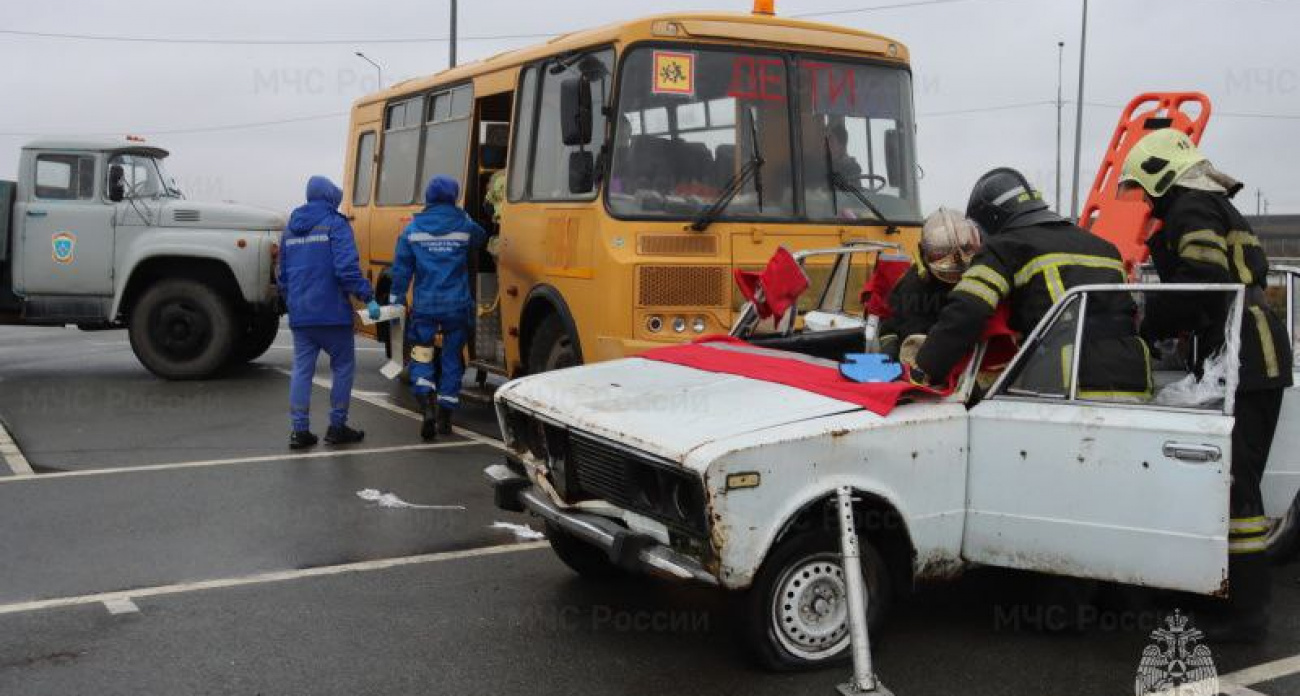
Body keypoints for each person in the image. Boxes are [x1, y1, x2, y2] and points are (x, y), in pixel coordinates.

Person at [1121, 129, 1292, 642]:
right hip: (1242, 352)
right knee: (1224, 485)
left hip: (1247, 356)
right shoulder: (1206, 205)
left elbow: (1202, 277)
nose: (1146, 201)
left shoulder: (1192, 207)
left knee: (1236, 488)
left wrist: (1145, 324)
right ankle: (1216, 597)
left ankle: (1247, 616)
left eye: (1146, 189)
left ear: (1160, 173)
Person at [910, 168, 1150, 398]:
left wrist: (926, 365)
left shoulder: (1005, 247)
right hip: (1134, 379)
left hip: (1067, 385)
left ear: (991, 221)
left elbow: (967, 310)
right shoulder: (1104, 247)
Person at [279, 175, 378, 449]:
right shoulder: (335, 224)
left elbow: (282, 276)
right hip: (332, 313)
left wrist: (294, 303)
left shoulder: (290, 229)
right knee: (343, 367)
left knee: (302, 371)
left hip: (302, 315)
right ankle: (337, 427)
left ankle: (299, 431)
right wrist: (367, 296)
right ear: (330, 197)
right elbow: (346, 269)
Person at [389, 176, 488, 440]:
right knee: (452, 358)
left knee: (422, 355)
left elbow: (400, 270)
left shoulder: (413, 229)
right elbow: (481, 237)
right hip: (457, 306)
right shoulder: (464, 225)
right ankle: (446, 415)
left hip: (425, 307)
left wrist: (396, 300)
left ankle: (427, 407)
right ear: (453, 196)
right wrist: (462, 214)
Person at [879, 207, 982, 362]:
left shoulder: (978, 274)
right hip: (918, 355)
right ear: (925, 254)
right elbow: (902, 331)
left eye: (960, 272)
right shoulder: (912, 287)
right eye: (950, 273)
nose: (956, 277)